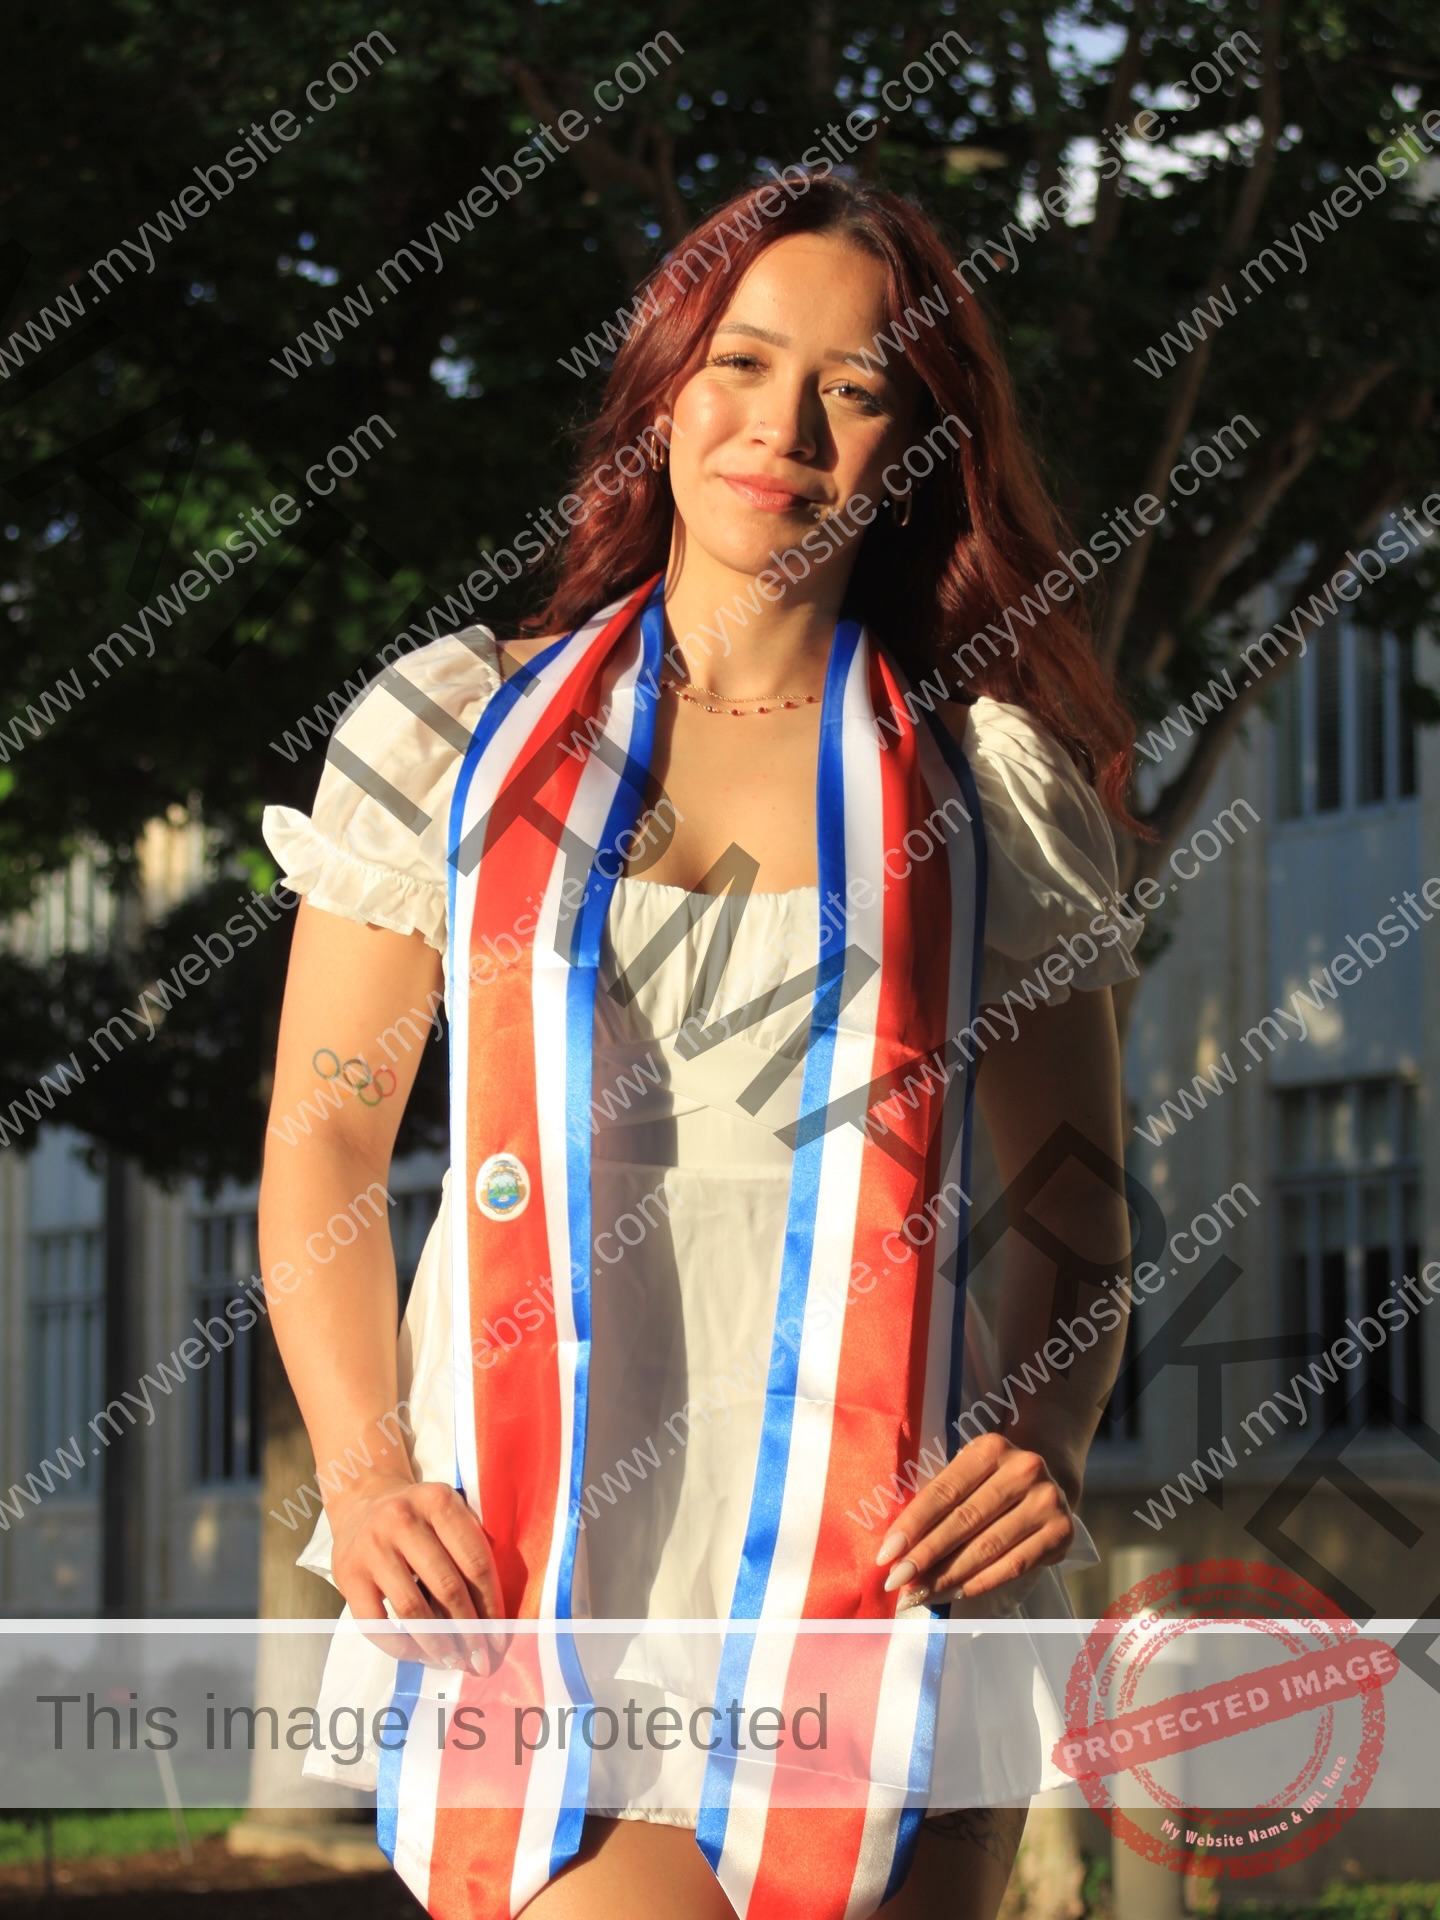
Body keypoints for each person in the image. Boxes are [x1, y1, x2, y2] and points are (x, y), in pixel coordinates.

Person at [258, 176, 1140, 1920]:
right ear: (663, 386)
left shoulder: (987, 784)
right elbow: (328, 1142)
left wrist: (1044, 1432)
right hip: (544, 1546)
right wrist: (363, 1471)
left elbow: (1080, 1215)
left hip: (886, 1567)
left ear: (916, 443)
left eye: (858, 385)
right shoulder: (450, 733)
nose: (784, 427)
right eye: (741, 361)